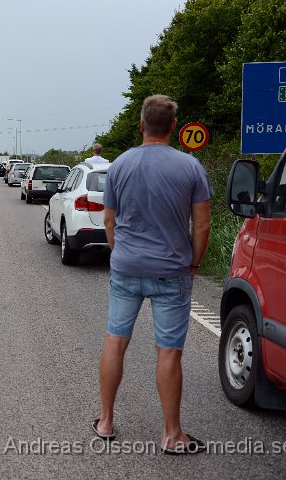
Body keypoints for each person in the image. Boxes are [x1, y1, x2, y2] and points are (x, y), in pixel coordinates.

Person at [94, 95, 211, 455]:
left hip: (127, 268)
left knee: (116, 341)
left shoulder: (119, 166)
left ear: (142, 125)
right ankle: (172, 435)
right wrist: (193, 263)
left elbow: (109, 220)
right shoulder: (190, 167)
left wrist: (119, 254)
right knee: (169, 352)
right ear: (173, 127)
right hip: (171, 272)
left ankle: (106, 422)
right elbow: (202, 224)